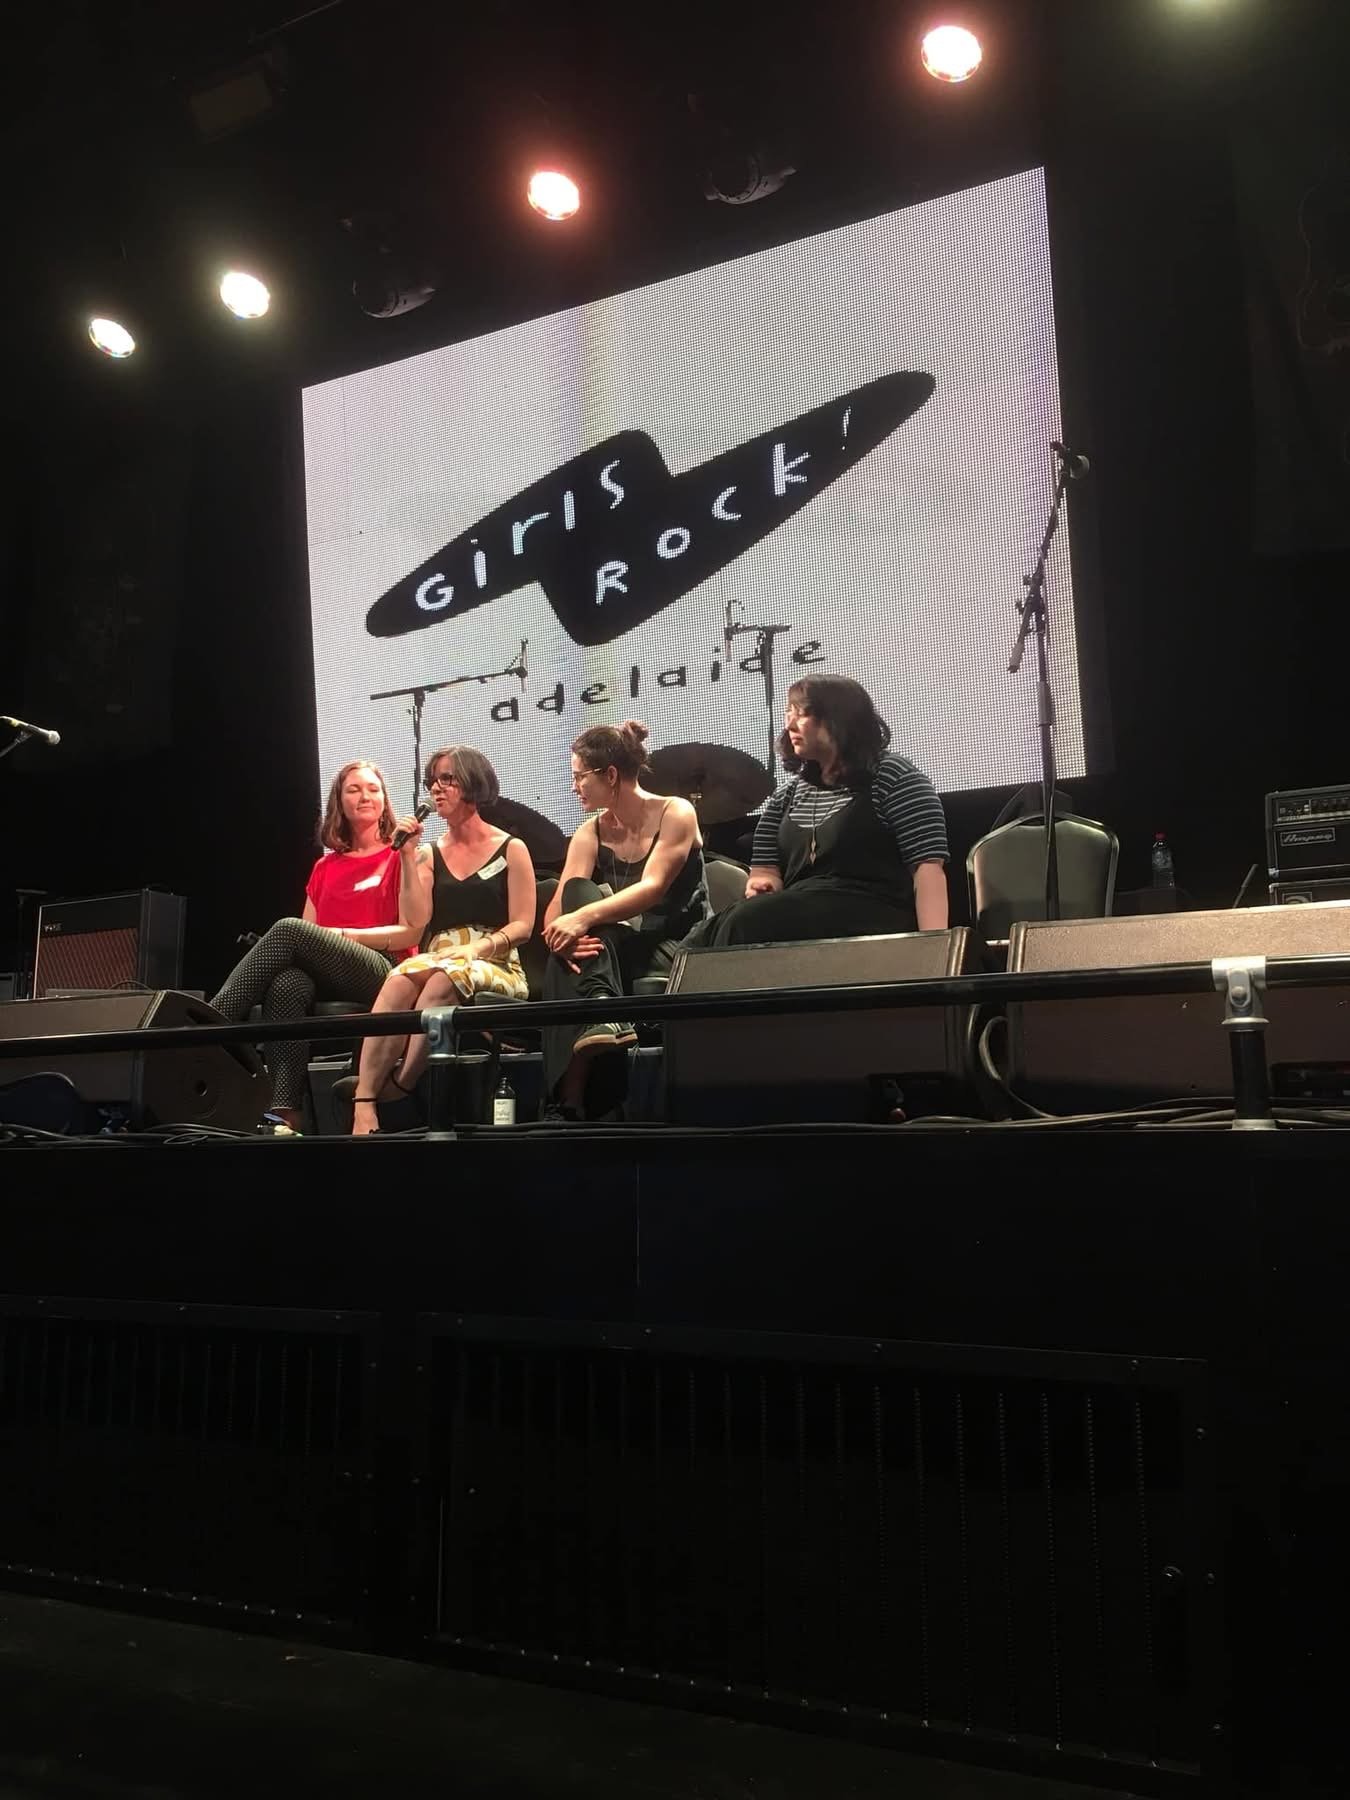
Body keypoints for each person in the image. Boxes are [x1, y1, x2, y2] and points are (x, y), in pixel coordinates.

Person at [210, 758, 428, 1131]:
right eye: (354, 789)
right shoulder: (325, 868)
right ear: (338, 803)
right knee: (288, 983)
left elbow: (411, 932)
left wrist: (343, 936)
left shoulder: (406, 856)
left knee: (288, 929)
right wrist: (327, 940)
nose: (365, 796)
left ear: (385, 801)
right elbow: (306, 945)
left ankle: (211, 1025)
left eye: (373, 789)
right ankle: (285, 1112)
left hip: (387, 970)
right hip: (333, 970)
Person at [350, 745, 535, 1136]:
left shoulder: (510, 848)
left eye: (447, 779)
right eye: (432, 781)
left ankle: (402, 1084)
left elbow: (523, 925)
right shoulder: (430, 854)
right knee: (400, 978)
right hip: (440, 956)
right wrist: (407, 855)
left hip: (496, 959)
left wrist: (477, 949)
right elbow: (416, 921)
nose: (436, 788)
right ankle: (364, 1101)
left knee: (440, 979)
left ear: (473, 783)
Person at [691, 675, 949, 947]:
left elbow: (927, 869)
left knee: (745, 922)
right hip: (801, 910)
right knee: (700, 940)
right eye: (788, 713)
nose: (789, 724)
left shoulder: (893, 776)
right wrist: (763, 883)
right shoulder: (788, 795)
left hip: (873, 910)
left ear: (838, 719)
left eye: (801, 713)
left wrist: (932, 946)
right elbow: (765, 870)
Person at [541, 720, 707, 1119]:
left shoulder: (675, 811)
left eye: (579, 776)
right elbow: (556, 910)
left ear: (610, 775)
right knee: (574, 917)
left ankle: (568, 1099)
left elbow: (652, 888)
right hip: (620, 947)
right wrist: (560, 937)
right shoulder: (590, 831)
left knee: (583, 928)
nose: (574, 786)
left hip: (678, 944)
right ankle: (602, 1012)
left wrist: (580, 920)